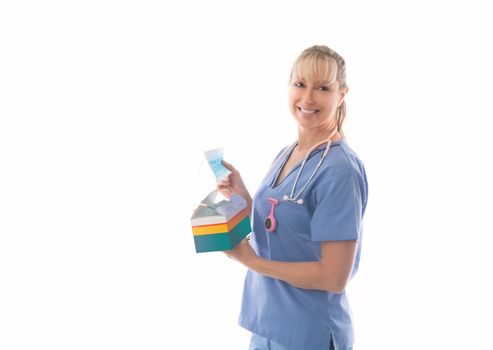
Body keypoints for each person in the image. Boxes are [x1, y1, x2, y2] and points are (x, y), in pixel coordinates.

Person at [217, 45, 368, 350]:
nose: (308, 98)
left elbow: (333, 276)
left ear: (342, 94)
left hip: (308, 333)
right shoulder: (287, 154)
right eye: (300, 84)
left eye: (322, 88)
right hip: (267, 327)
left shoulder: (340, 171)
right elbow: (278, 226)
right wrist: (243, 195)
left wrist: (251, 261)